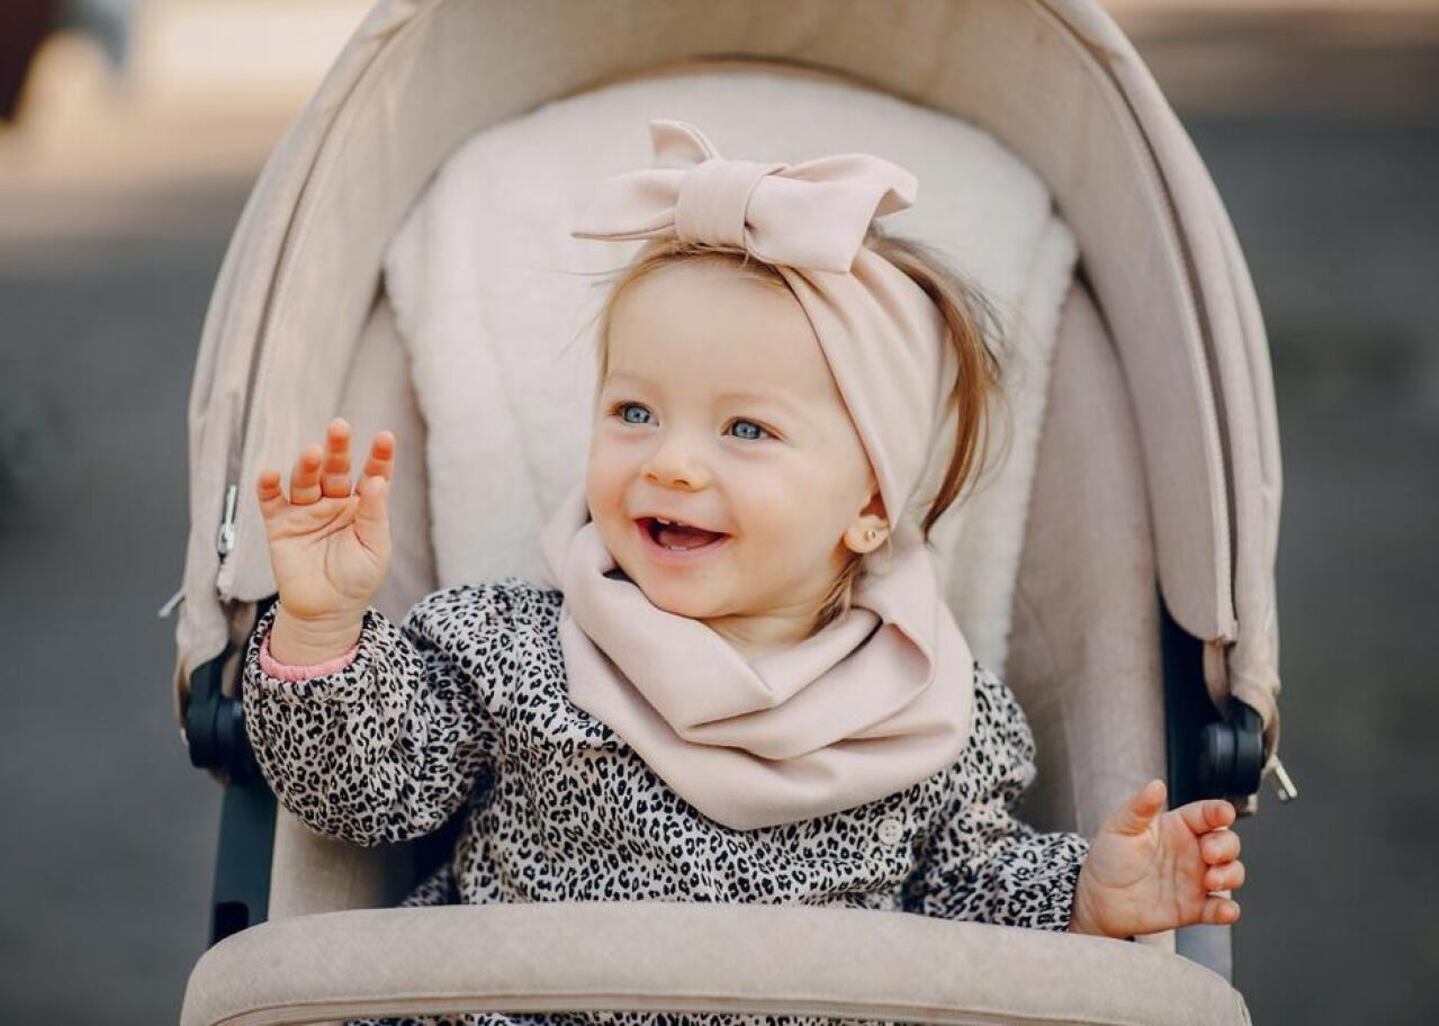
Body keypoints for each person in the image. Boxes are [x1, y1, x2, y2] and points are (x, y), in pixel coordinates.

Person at [242, 119, 1245, 1026]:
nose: (672, 463)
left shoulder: (932, 718)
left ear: (869, 507)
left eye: (747, 430)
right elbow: (368, 796)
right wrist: (322, 627)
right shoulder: (510, 649)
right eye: (635, 413)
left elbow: (970, 899)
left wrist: (1084, 898)